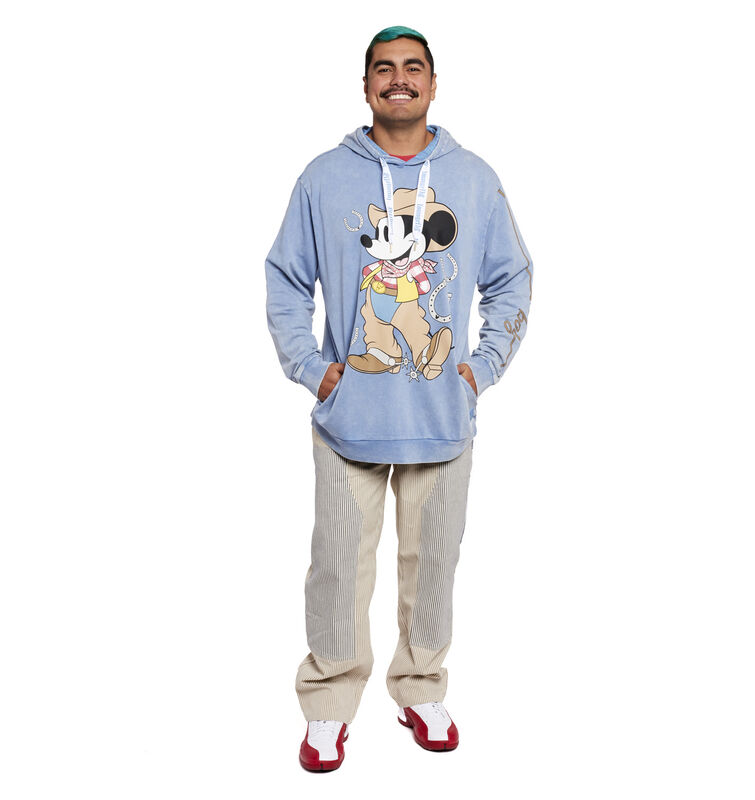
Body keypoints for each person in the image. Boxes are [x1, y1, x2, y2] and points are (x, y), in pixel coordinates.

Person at [264, 25, 533, 772]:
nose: (399, 79)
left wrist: (480, 368)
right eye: (384, 68)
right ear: (366, 86)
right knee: (336, 566)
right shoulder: (324, 178)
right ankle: (328, 701)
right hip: (348, 418)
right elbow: (286, 278)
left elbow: (512, 278)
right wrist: (311, 367)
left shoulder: (473, 179)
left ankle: (420, 687)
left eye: (413, 67)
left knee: (434, 563)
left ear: (433, 83)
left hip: (442, 419)